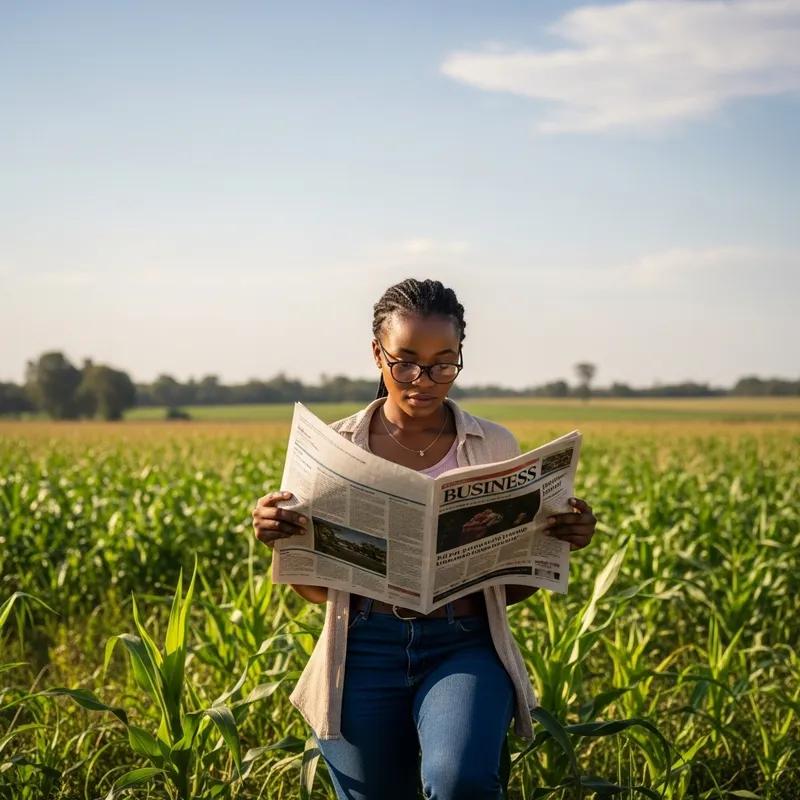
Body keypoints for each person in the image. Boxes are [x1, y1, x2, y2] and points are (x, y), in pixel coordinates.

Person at [252, 278, 597, 800]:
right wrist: (279, 538)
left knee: (463, 784)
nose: (424, 379)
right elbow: (320, 591)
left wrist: (561, 539)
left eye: (444, 363)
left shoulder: (495, 444)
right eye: (405, 361)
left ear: (460, 357)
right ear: (377, 354)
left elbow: (509, 588)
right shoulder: (334, 447)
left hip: (465, 643)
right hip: (361, 646)